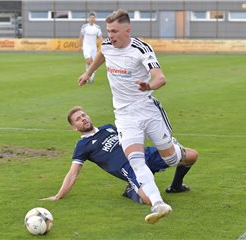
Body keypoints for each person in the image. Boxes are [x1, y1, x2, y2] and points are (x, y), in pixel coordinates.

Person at [78, 9, 191, 224]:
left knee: (171, 159)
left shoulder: (141, 48)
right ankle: (158, 204)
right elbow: (102, 54)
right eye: (108, 30)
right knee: (136, 161)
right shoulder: (108, 45)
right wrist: (88, 72)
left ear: (127, 30)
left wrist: (149, 85)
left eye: (114, 31)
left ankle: (175, 147)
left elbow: (161, 77)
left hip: (147, 110)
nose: (110, 35)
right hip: (124, 116)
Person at [41, 106, 198, 206]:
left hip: (145, 154)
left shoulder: (109, 128)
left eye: (83, 115)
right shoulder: (82, 146)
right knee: (151, 201)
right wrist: (58, 196)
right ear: (74, 128)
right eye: (78, 119)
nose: (83, 119)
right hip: (130, 169)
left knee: (192, 155)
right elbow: (72, 174)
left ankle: (176, 186)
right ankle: (131, 191)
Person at [79, 12, 103, 84]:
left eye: (93, 18)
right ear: (89, 18)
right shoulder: (84, 27)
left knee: (94, 63)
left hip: (93, 47)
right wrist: (80, 46)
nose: (92, 19)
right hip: (86, 47)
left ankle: (91, 78)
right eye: (91, 17)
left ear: (95, 19)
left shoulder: (97, 28)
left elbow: (100, 38)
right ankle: (88, 76)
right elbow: (81, 37)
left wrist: (102, 46)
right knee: (88, 61)